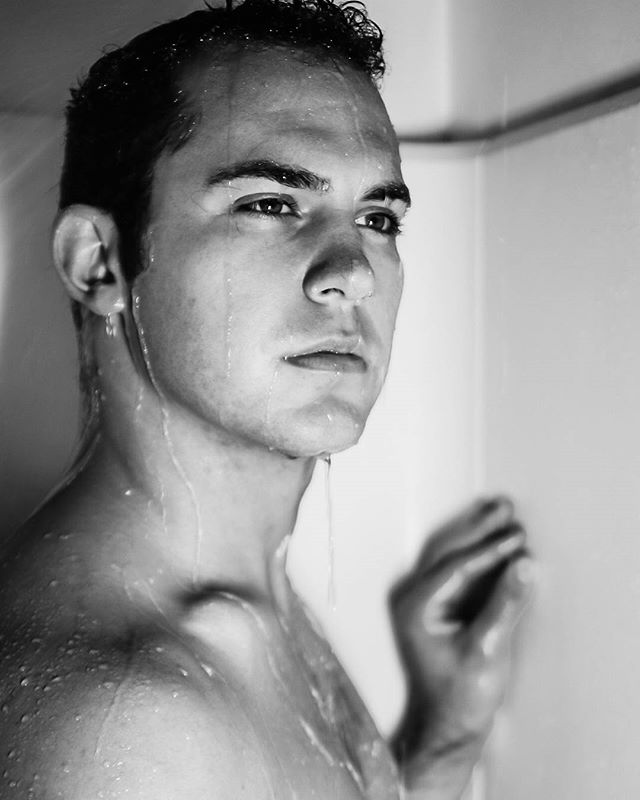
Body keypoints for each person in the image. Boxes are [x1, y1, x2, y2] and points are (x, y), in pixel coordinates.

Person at [0, 1, 533, 797]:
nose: (353, 270)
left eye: (378, 216)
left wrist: (444, 738)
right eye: (270, 204)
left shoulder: (240, 599)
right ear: (99, 263)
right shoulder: (123, 722)